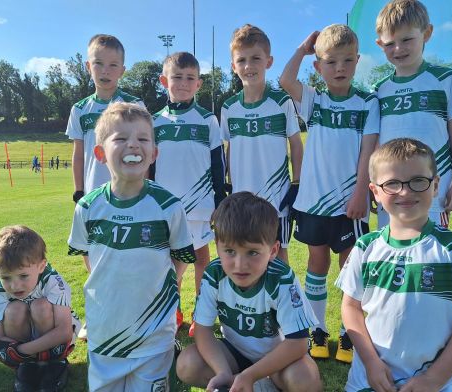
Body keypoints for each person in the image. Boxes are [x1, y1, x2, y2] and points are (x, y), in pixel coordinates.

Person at [336, 138, 452, 392]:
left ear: (435, 186)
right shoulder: (364, 248)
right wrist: (370, 362)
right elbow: (350, 307)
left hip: (436, 384)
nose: (405, 191)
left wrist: (432, 379)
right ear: (375, 192)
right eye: (392, 183)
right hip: (370, 381)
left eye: (418, 181)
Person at [67, 102, 196, 391]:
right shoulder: (88, 207)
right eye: (121, 138)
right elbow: (88, 256)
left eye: (142, 139)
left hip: (154, 333)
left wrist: (159, 292)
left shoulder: (169, 206)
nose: (133, 145)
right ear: (100, 153)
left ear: (154, 153)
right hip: (105, 330)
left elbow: (181, 257)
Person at [279, 25, 380, 363]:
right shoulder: (314, 101)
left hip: (350, 204)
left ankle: (349, 334)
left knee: (351, 266)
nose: (339, 68)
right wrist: (303, 48)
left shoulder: (367, 102)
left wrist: (360, 195)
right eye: (331, 61)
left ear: (357, 62)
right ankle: (318, 330)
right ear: (318, 67)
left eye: (347, 61)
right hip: (312, 203)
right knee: (317, 263)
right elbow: (284, 81)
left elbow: (368, 150)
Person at [176, 192, 322, 392]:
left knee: (304, 377)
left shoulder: (281, 278)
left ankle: (255, 383)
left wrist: (250, 375)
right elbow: (202, 329)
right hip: (235, 354)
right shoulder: (214, 274)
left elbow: (298, 343)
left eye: (252, 252)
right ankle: (238, 382)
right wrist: (222, 371)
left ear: (272, 251)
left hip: (279, 360)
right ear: (217, 247)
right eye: (230, 251)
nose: (240, 265)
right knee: (187, 363)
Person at [373, 0, 452, 229]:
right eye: (389, 43)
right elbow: (374, 141)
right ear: (379, 44)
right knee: (392, 250)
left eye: (407, 39)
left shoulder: (446, 79)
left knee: (431, 253)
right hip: (391, 191)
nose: (398, 49)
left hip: (433, 192)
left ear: (427, 33)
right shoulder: (378, 90)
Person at [153, 51, 227, 337]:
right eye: (177, 77)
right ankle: (173, 310)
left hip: (199, 208)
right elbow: (149, 167)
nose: (183, 83)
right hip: (166, 208)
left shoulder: (208, 120)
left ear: (199, 84)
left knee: (202, 260)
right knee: (171, 264)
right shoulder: (154, 121)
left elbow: (218, 164)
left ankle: (201, 313)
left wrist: (219, 201)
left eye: (190, 78)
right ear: (164, 81)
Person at [221, 24, 303, 264]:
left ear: (268, 61)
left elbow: (296, 144)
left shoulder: (281, 102)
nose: (249, 66)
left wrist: (296, 184)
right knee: (243, 255)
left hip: (277, 199)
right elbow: (228, 147)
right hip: (241, 197)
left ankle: (283, 302)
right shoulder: (229, 107)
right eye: (242, 60)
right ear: (234, 66)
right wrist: (226, 182)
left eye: (256, 58)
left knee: (279, 256)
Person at [0, 225, 80, 391]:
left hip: (53, 341)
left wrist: (20, 350)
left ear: (41, 266)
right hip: (27, 341)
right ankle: (27, 367)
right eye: (6, 277)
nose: (15, 285)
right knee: (14, 309)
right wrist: (17, 351)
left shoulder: (52, 281)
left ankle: (54, 364)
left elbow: (64, 331)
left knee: (40, 306)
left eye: (23, 276)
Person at [66, 34, 146, 204]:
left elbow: (144, 149)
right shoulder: (79, 109)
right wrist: (78, 190)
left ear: (122, 71)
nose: (105, 70)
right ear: (88, 66)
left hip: (129, 194)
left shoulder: (135, 105)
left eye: (113, 65)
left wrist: (144, 188)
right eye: (98, 63)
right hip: (93, 195)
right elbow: (78, 155)